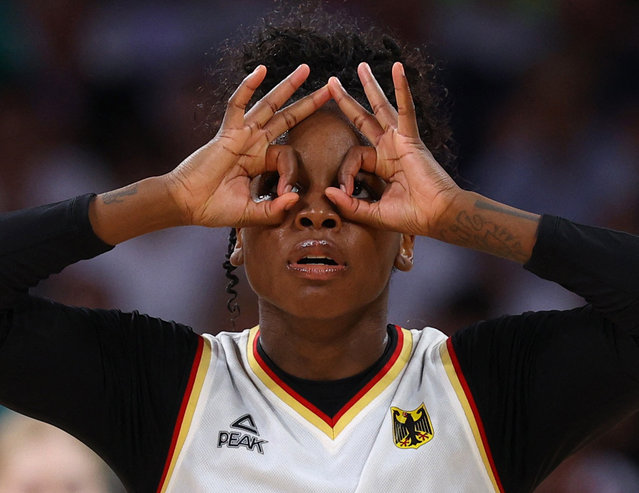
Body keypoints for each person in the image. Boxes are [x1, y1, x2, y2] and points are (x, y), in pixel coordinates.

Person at [1, 4, 638, 493]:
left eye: (359, 188)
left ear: (408, 239)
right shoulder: (162, 388)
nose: (315, 210)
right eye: (280, 185)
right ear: (235, 238)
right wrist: (166, 198)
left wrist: (460, 214)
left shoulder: (487, 389)